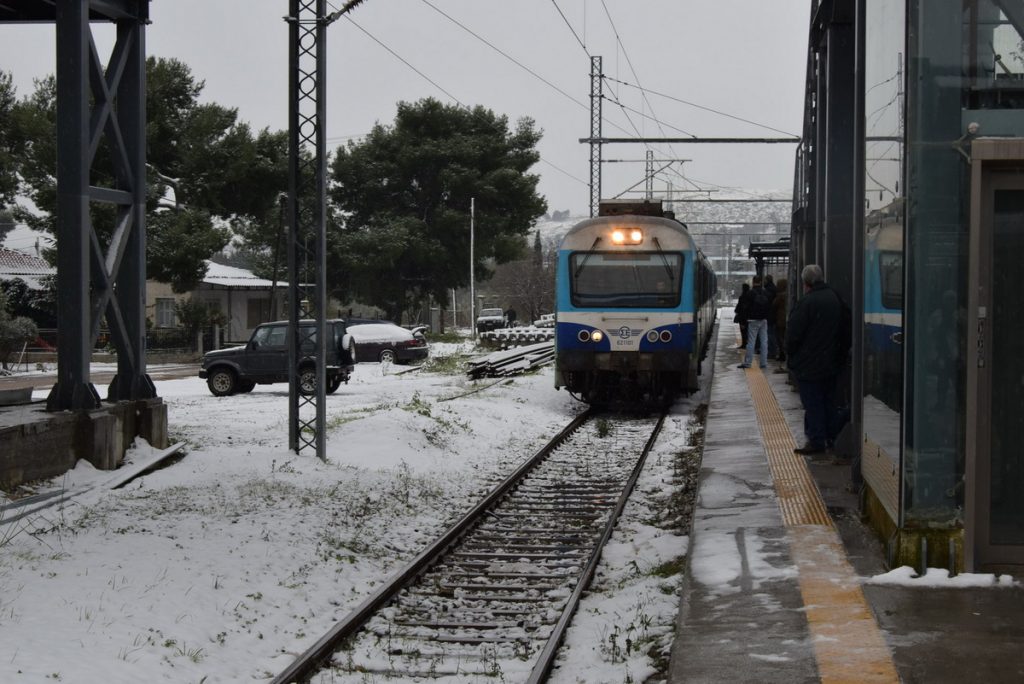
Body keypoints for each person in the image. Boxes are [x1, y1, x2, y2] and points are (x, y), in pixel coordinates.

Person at [786, 264, 844, 454]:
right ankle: (830, 437)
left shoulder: (807, 303)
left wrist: (793, 357)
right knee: (829, 401)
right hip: (832, 362)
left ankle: (817, 440)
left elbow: (793, 334)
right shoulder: (835, 297)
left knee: (813, 404)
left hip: (810, 364)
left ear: (806, 283)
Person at [738, 275, 772, 369]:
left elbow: (745, 308)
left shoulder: (750, 293)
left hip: (752, 320)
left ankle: (748, 363)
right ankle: (763, 363)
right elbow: (769, 306)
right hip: (764, 320)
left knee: (751, 341)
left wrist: (743, 321)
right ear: (760, 282)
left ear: (753, 282)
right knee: (764, 341)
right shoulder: (765, 293)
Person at [771, 278, 788, 362]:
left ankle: (782, 354)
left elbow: (774, 305)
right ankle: (784, 353)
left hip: (780, 320)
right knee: (784, 337)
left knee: (780, 338)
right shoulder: (788, 294)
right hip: (786, 319)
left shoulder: (780, 296)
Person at [764, 274, 778, 357]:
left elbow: (767, 302)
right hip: (772, 315)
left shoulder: (768, 290)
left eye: (765, 280)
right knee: (771, 333)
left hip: (770, 315)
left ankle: (772, 352)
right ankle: (772, 351)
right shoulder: (774, 288)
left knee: (770, 334)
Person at [734, 283, 751, 348]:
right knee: (748, 332)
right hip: (749, 317)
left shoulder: (742, 297)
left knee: (743, 332)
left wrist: (736, 311)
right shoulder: (750, 296)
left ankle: (744, 344)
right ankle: (748, 344)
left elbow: (740, 307)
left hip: (743, 317)